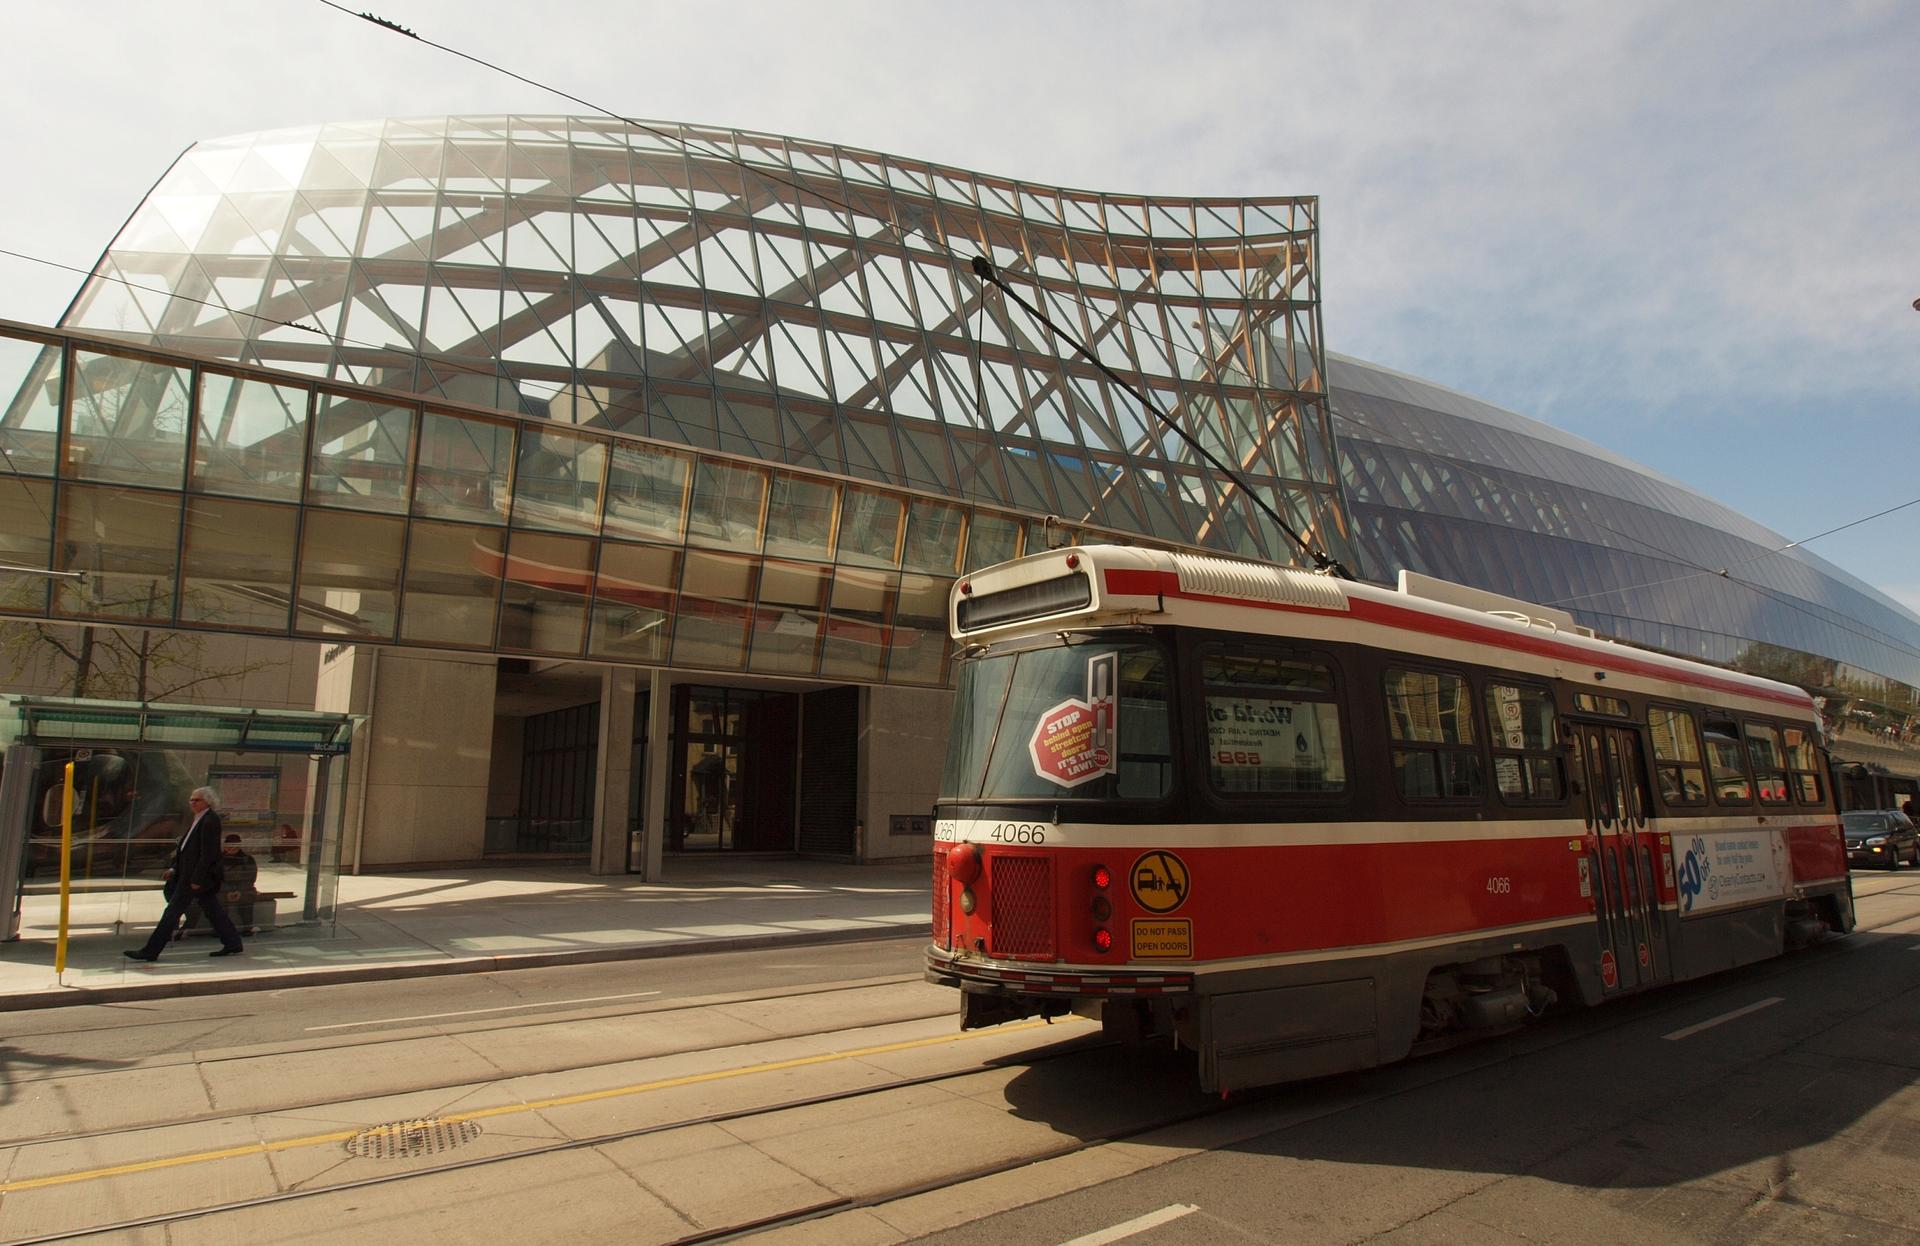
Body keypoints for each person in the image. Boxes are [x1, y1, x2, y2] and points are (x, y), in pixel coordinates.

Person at [124, 786, 243, 961]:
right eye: (191, 800)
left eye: (197, 800)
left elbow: (208, 854)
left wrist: (197, 879)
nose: (192, 803)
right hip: (190, 876)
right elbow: (186, 850)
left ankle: (151, 951)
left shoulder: (210, 821)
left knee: (171, 913)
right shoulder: (198, 818)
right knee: (213, 911)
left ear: (207, 802)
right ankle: (233, 942)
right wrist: (174, 868)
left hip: (194, 879)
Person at [220, 833, 261, 933]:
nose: (232, 849)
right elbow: (215, 878)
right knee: (218, 900)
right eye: (229, 846)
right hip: (223, 889)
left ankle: (248, 927)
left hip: (243, 889)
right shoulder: (218, 859)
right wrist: (227, 891)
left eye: (235, 846)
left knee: (247, 898)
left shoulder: (247, 859)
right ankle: (221, 928)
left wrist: (239, 891)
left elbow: (250, 878)